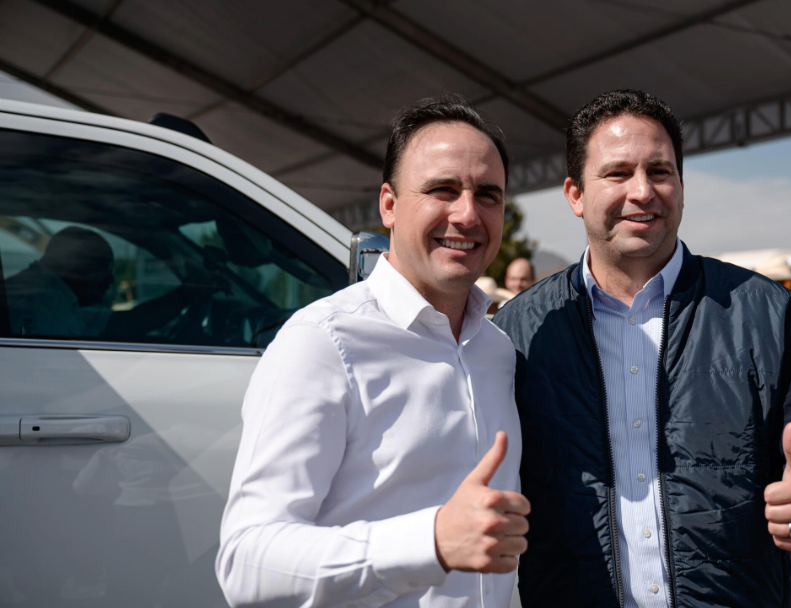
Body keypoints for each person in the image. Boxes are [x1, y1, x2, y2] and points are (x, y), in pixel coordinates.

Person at [494, 90, 791, 608]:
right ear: (575, 194)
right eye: (617, 173)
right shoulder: (519, 331)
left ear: (682, 188)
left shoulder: (761, 311)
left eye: (660, 172)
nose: (643, 191)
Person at [216, 97, 529, 607]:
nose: (468, 214)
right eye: (443, 190)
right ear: (389, 204)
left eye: (488, 195)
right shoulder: (323, 342)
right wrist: (431, 542)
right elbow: (247, 562)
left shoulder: (497, 350)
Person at [6, 225, 219, 339]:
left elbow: (124, 324)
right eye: (105, 268)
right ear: (77, 265)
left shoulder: (56, 300)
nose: (110, 280)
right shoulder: (37, 306)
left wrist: (186, 294)